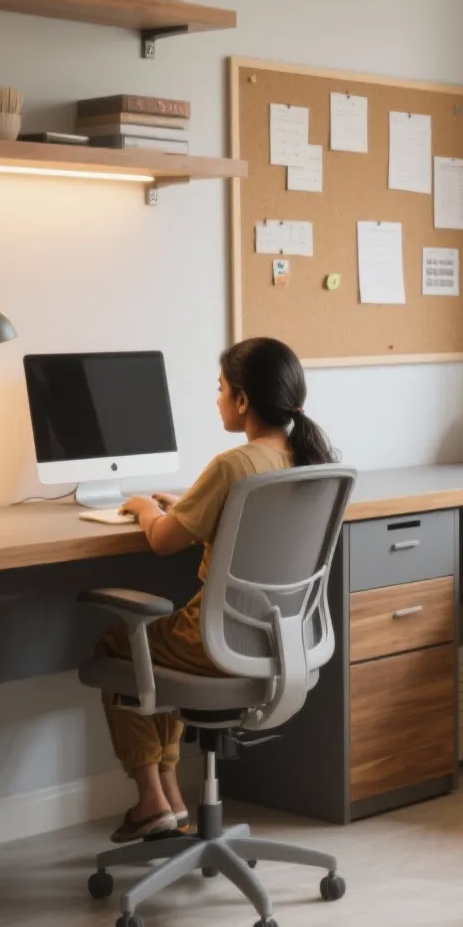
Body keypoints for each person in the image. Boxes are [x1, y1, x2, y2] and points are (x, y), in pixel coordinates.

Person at [94, 337, 337, 843]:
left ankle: (152, 798)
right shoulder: (310, 459)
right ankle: (172, 801)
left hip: (215, 644)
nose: (218, 398)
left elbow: (162, 541)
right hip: (281, 641)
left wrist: (144, 509)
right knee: (165, 638)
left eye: (222, 388)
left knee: (120, 648)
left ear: (243, 400)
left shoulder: (234, 465)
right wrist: (186, 504)